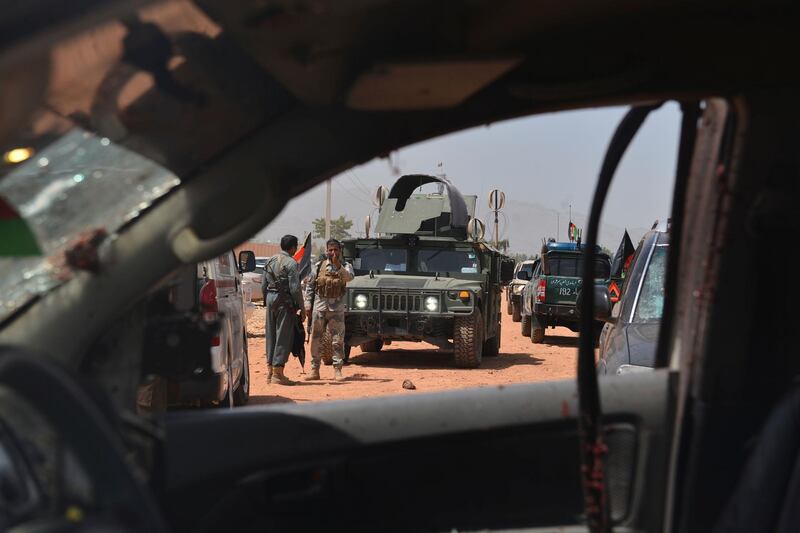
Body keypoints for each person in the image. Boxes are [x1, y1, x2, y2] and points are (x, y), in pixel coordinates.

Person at [304, 238, 354, 381]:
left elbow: (349, 278)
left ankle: (337, 370)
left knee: (337, 340)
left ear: (340, 251)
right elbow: (310, 285)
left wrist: (338, 266)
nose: (333, 252)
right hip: (319, 308)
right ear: (326, 251)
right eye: (330, 250)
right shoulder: (319, 266)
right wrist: (308, 304)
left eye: (335, 250)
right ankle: (314, 370)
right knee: (315, 340)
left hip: (336, 309)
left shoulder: (345, 266)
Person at [263, 235, 306, 385]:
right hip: (285, 303)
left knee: (271, 334)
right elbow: (295, 289)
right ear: (293, 247)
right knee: (283, 335)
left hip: (270, 299)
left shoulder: (270, 261)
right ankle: (278, 373)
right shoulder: (291, 263)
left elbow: (263, 284)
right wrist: (302, 307)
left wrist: (266, 301)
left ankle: (269, 371)